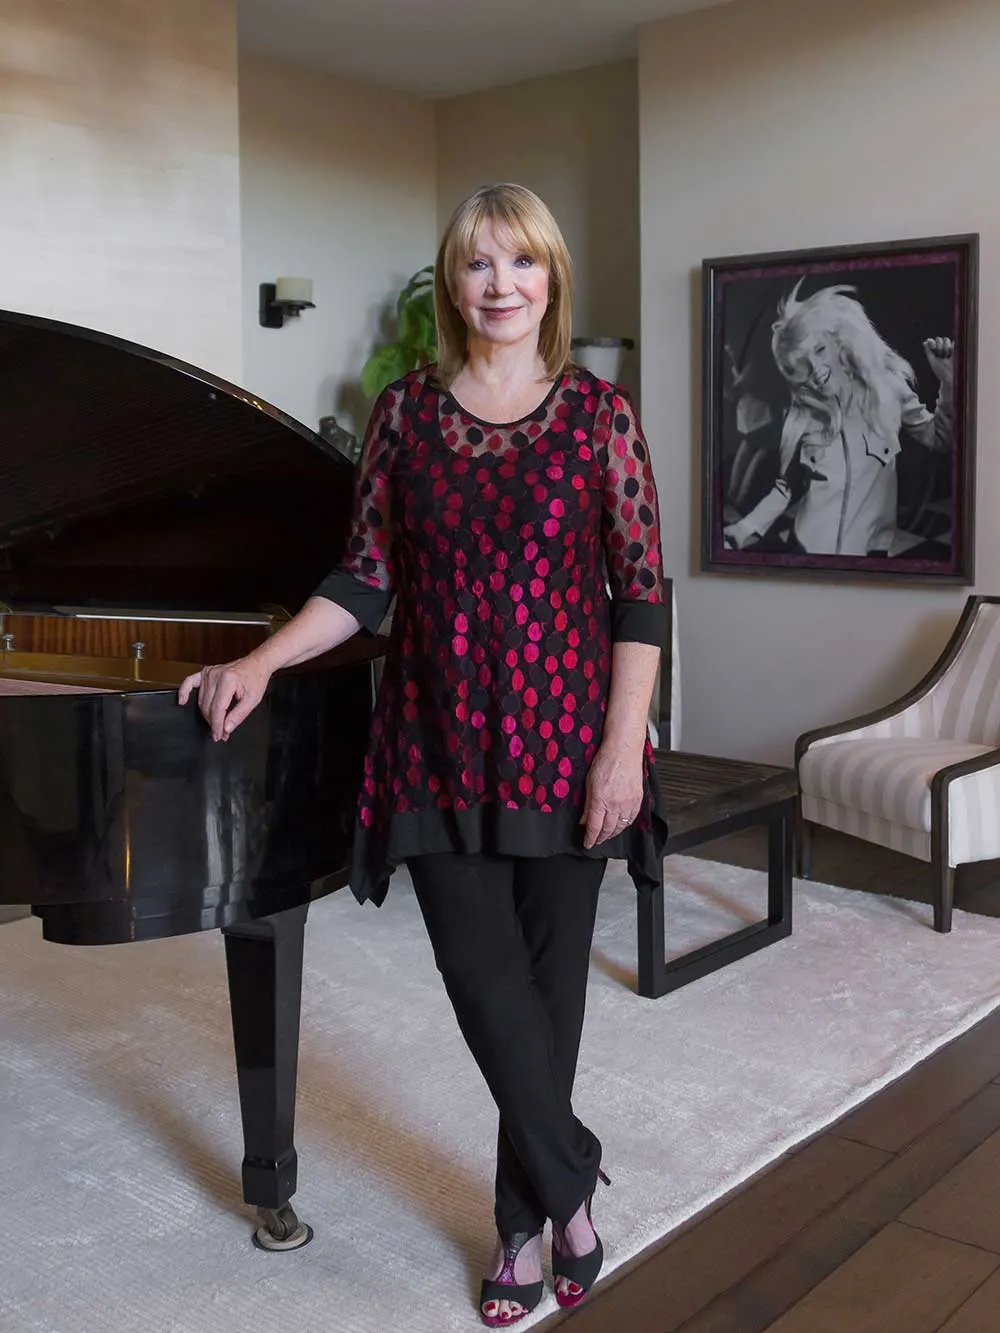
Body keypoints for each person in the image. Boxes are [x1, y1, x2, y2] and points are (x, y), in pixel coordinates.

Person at [178, 182, 667, 1326]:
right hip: (434, 745)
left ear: (551, 279)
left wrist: (620, 754)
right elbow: (364, 579)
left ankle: (519, 1230)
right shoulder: (403, 415)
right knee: (486, 991)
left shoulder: (600, 417)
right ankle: (574, 1173)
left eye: (522, 264)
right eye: (479, 265)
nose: (501, 285)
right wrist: (262, 660)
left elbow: (640, 598)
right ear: (455, 284)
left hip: (564, 745)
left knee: (546, 1002)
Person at [723, 280, 955, 557]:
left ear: (840, 340)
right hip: (805, 550)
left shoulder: (890, 389)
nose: (815, 368)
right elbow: (785, 488)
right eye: (802, 362)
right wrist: (745, 528)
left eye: (820, 350)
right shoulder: (803, 414)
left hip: (870, 556)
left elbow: (940, 438)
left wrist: (949, 382)